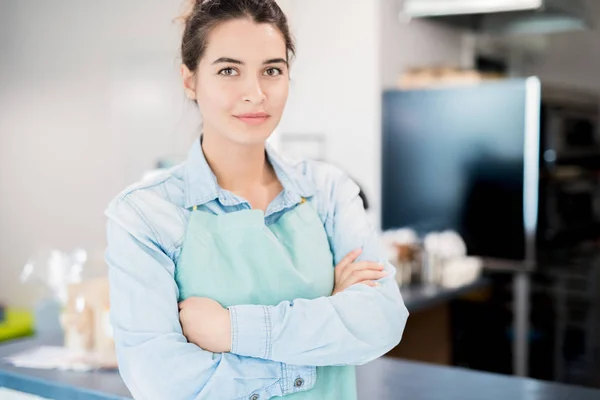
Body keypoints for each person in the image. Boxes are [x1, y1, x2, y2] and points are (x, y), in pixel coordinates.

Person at [104, 1, 409, 399]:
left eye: (272, 70)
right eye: (228, 70)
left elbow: (381, 319)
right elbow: (164, 381)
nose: (255, 93)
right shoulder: (145, 215)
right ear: (190, 80)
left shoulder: (328, 191)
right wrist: (327, 324)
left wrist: (230, 330)